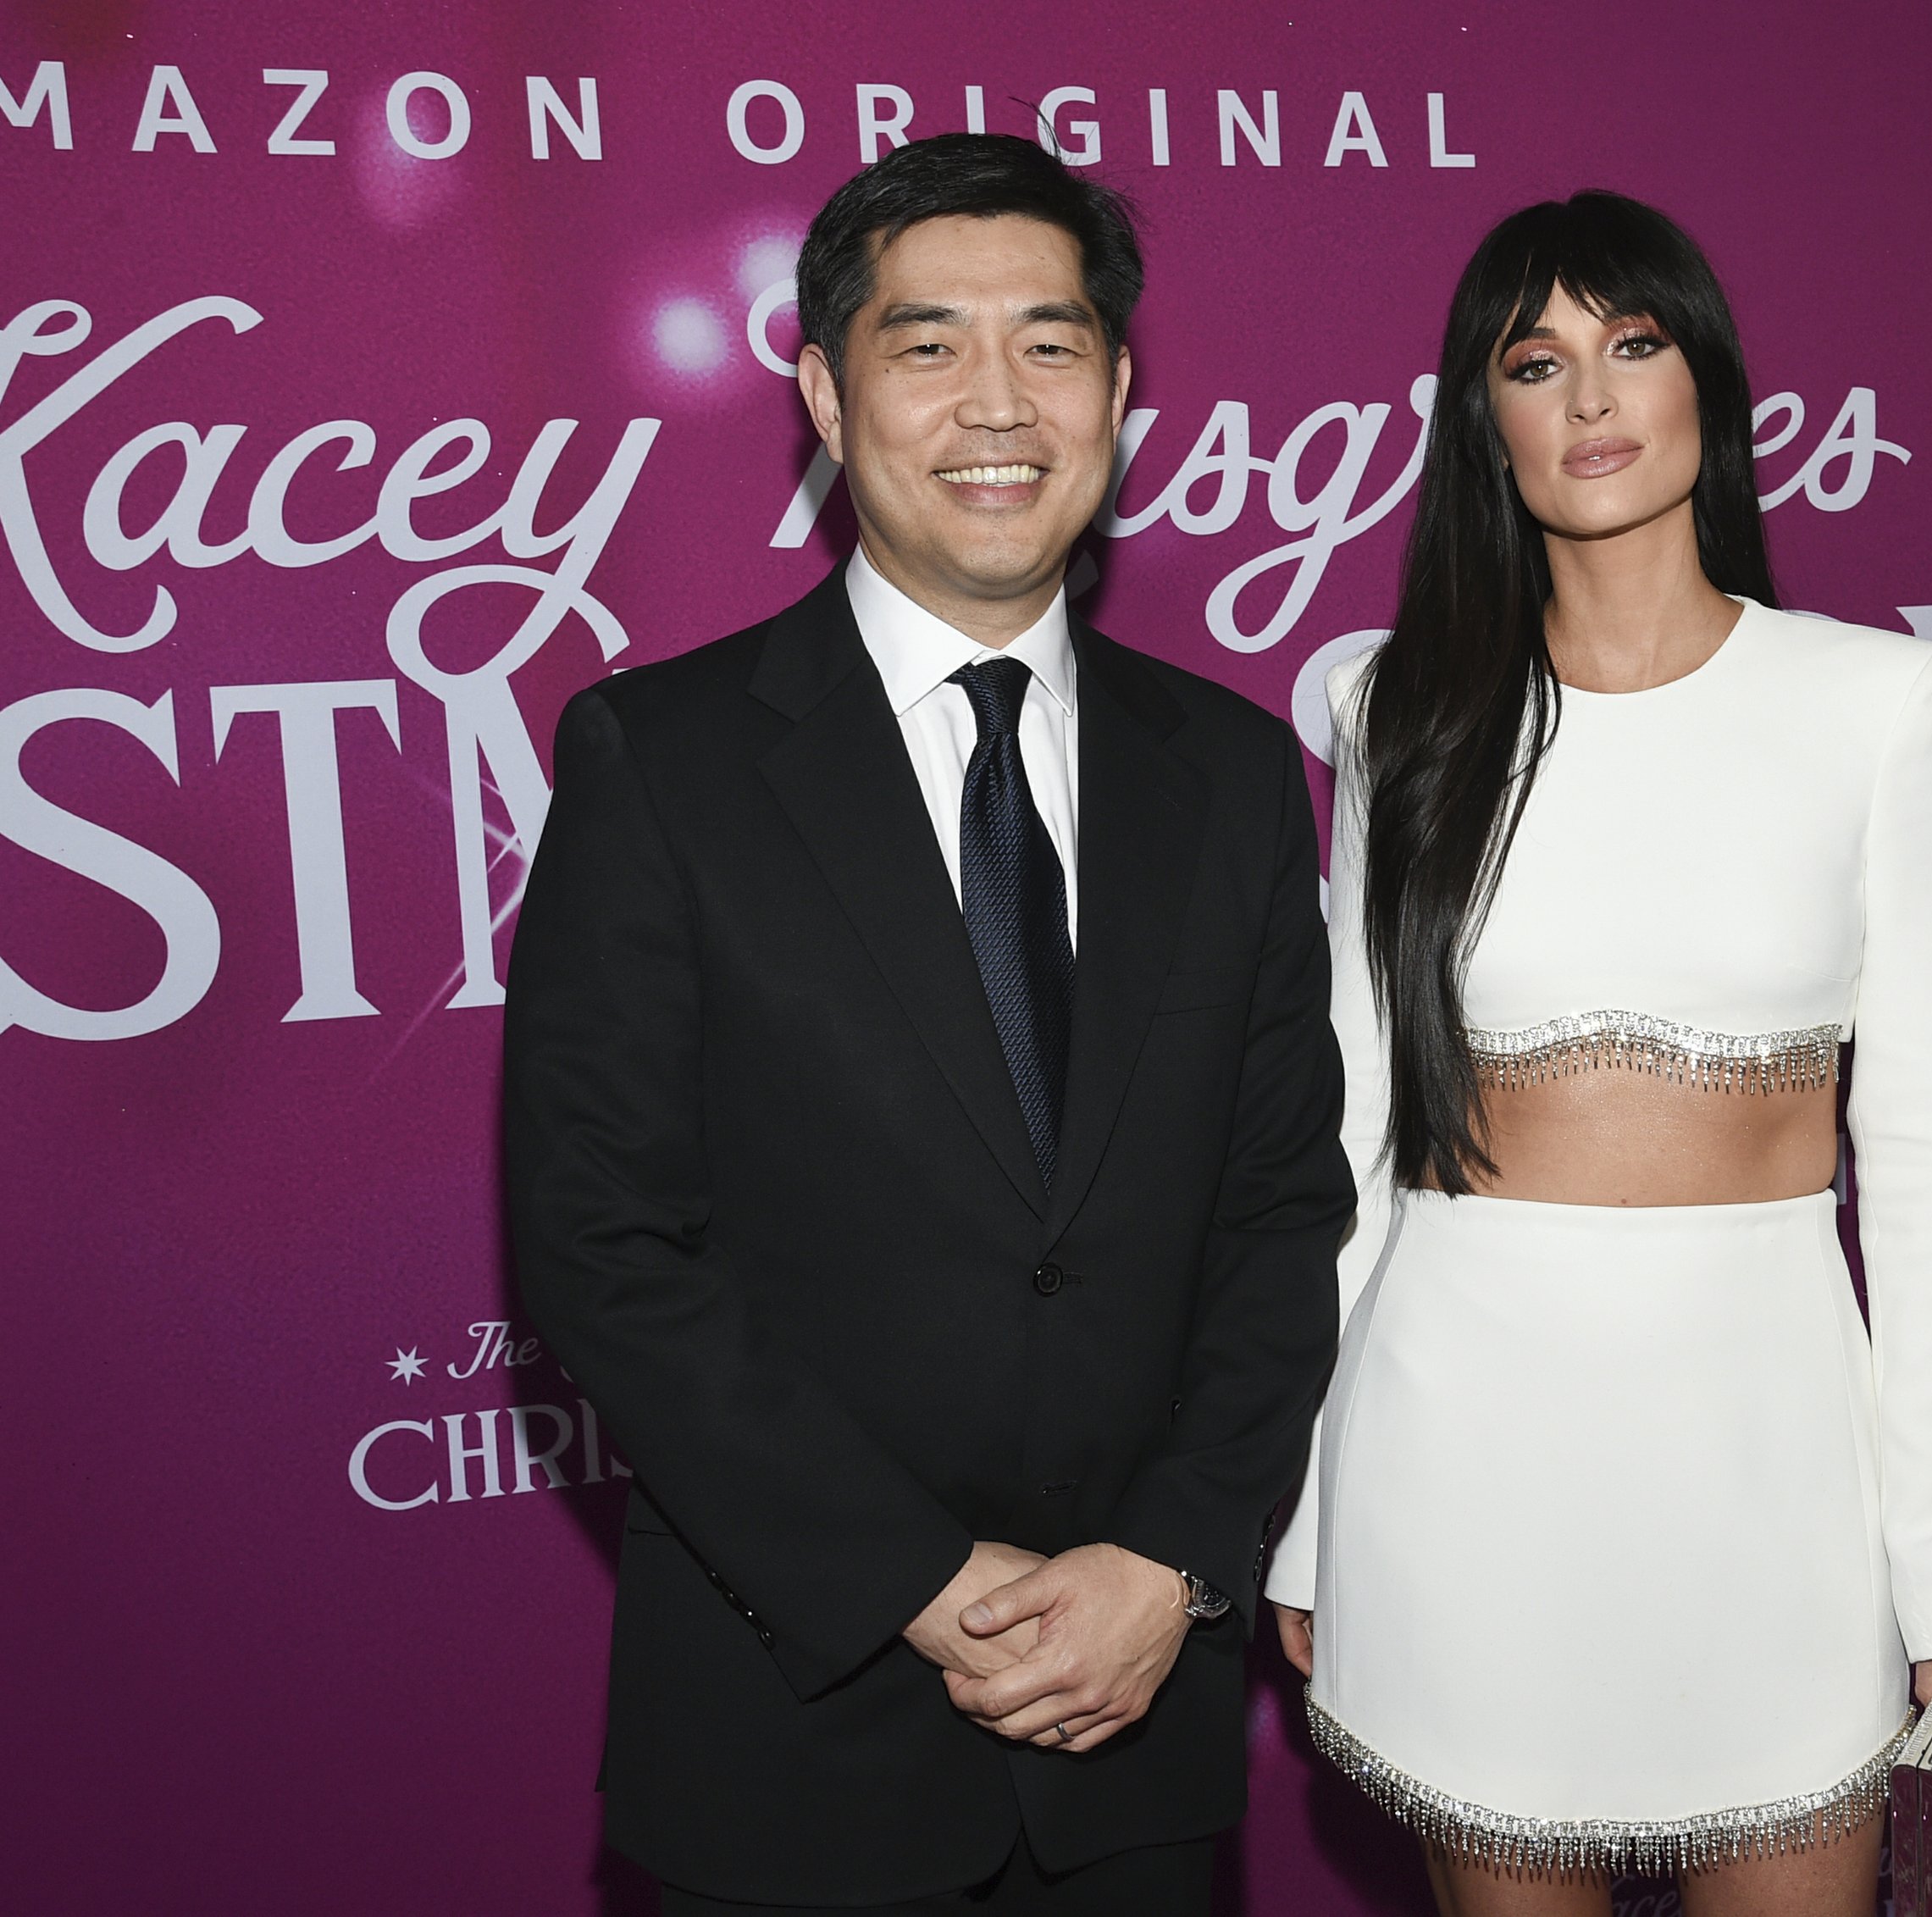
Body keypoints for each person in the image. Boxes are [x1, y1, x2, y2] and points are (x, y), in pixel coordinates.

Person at [504, 133, 1351, 1916]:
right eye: (927, 344)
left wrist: (1171, 1559)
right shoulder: (661, 758)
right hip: (792, 1738)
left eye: (1050, 343)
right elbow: (602, 1241)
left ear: (1118, 391)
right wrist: (912, 1577)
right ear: (826, 395)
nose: (997, 404)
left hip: (1137, 1735)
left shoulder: (1230, 772)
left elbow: (1283, 1209)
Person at [1262, 191, 1932, 1917]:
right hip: (1457, 1448)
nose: (1593, 397)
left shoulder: (1877, 704)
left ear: (1709, 384)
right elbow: (1356, 1140)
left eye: (1633, 343)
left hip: (1771, 1448)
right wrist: (1308, 1503)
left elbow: (1926, 1163)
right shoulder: (1399, 715)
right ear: (1486, 418)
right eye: (1535, 363)